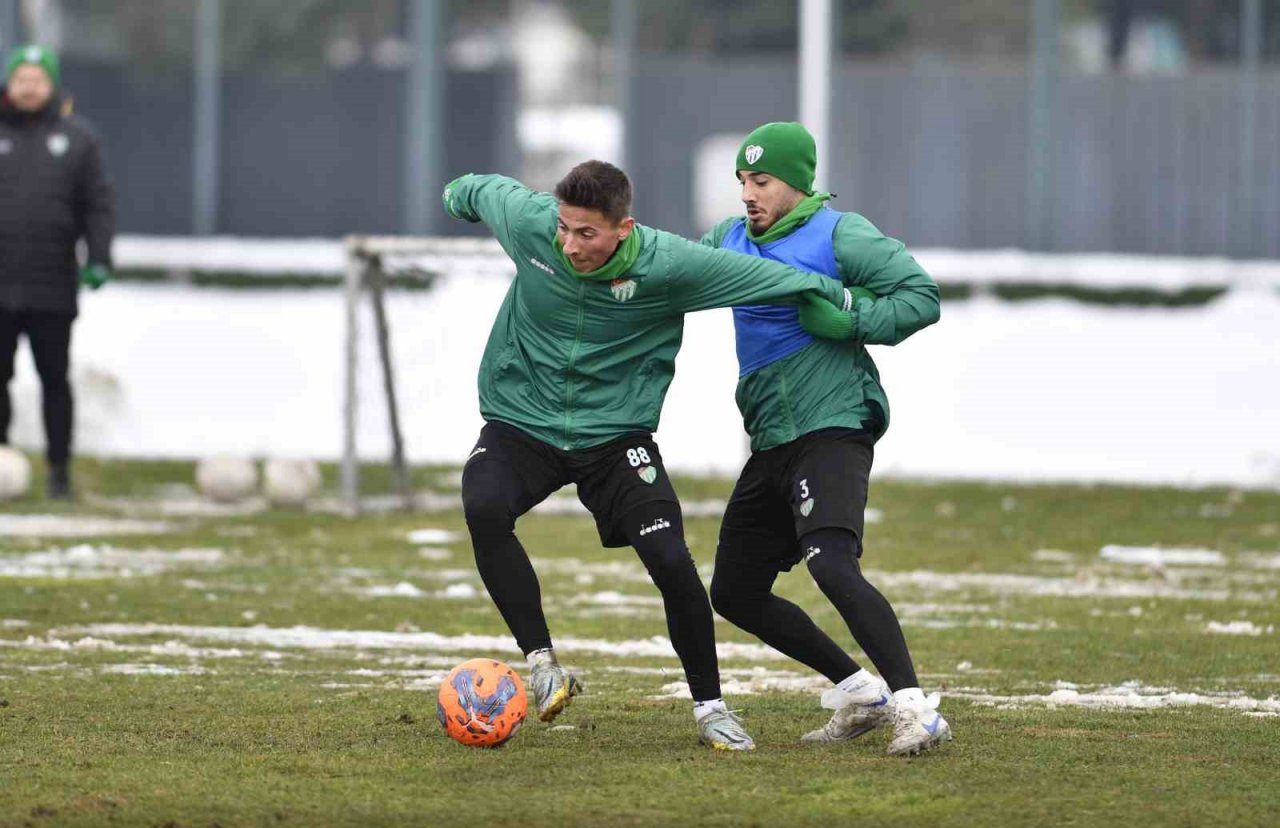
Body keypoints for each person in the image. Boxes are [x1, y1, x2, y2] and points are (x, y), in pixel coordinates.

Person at [442, 160, 857, 751]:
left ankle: (711, 708)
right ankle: (542, 663)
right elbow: (478, 189)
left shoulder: (671, 264)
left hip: (615, 438)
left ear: (622, 228)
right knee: (482, 505)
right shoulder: (532, 224)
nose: (570, 244)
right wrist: (457, 191)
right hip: (522, 422)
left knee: (669, 558)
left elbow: (764, 277)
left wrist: (841, 296)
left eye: (587, 234)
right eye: (564, 229)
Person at [700, 122, 949, 755]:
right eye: (742, 182)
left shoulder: (839, 234)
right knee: (734, 590)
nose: (748, 194)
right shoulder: (729, 240)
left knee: (830, 561)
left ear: (797, 184)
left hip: (833, 422)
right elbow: (664, 270)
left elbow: (921, 296)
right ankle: (860, 693)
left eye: (762, 181)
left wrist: (849, 317)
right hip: (772, 438)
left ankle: (917, 709)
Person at [0, 45, 114, 499]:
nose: (29, 87)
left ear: (51, 85)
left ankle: (59, 471)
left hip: (52, 283)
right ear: (10, 83)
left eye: (37, 79)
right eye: (21, 78)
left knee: (54, 379)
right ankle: (3, 460)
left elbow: (98, 204)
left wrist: (100, 256)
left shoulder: (78, 138)